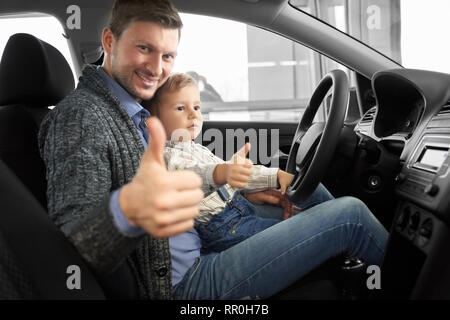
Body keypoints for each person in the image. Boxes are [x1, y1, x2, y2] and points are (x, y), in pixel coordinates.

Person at [38, 0, 388, 300]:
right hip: (185, 283)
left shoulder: (132, 109)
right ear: (109, 41)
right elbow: (75, 244)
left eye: (168, 55)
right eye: (144, 48)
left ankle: (351, 269)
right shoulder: (82, 117)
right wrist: (131, 209)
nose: (156, 69)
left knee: (306, 191)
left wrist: (240, 191)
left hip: (203, 237)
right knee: (351, 217)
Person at [145, 73, 300, 253]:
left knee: (298, 219)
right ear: (155, 122)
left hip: (238, 209)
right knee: (295, 234)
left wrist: (272, 178)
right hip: (223, 227)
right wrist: (224, 172)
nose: (193, 114)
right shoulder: (167, 157)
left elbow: (236, 175)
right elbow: (195, 175)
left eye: (196, 107)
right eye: (181, 108)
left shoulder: (196, 149)